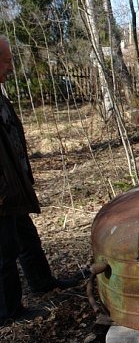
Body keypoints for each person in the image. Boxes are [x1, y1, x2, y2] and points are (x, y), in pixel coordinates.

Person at [0, 36, 81, 324]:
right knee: (4, 251)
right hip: (3, 193)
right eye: (7, 60)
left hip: (13, 189)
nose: (11, 66)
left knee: (27, 239)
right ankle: (8, 311)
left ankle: (42, 283)